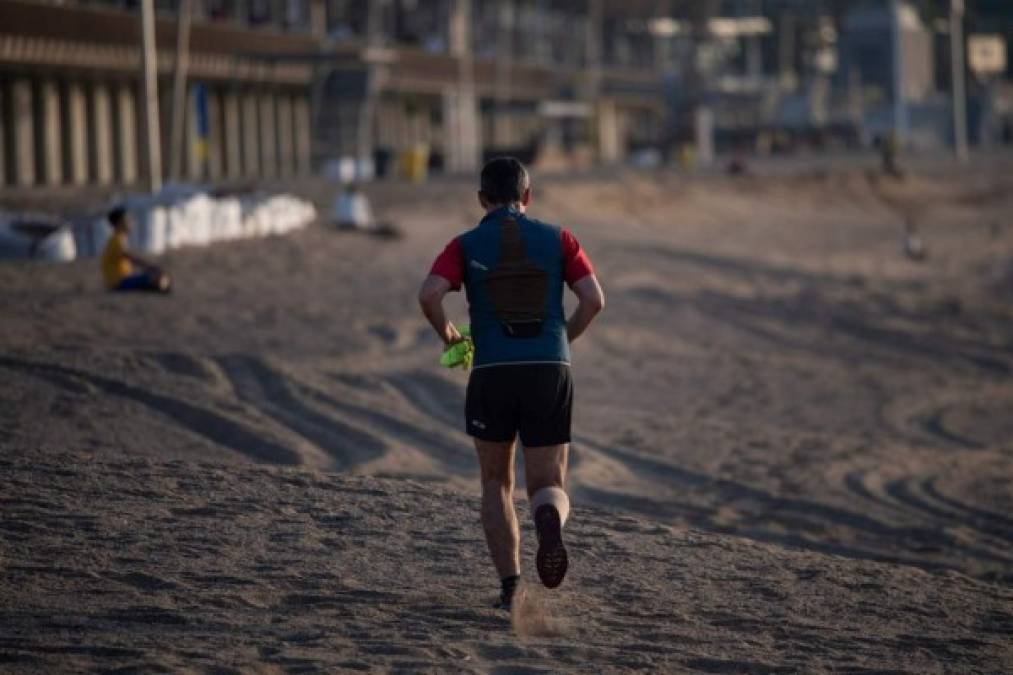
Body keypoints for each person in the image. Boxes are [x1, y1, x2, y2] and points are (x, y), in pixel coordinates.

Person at [418, 157, 605, 610]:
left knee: (496, 483)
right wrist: (562, 337)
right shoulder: (559, 238)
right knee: (547, 482)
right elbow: (594, 300)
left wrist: (450, 337)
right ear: (528, 196)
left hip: (491, 372)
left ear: (482, 199)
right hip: (548, 368)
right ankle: (548, 518)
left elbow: (429, 294)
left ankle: (510, 588)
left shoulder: (464, 244)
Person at [101, 207, 172, 293]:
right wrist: (150, 267)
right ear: (120, 223)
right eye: (128, 220)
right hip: (119, 282)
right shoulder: (117, 240)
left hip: (119, 280)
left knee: (155, 277)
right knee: (157, 277)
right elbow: (131, 258)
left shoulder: (117, 239)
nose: (131, 223)